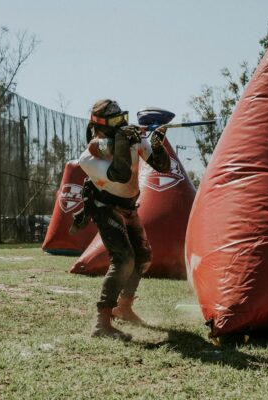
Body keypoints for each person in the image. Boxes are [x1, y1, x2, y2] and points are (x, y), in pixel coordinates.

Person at [76, 99, 170, 339]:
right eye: (116, 122)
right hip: (104, 206)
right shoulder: (88, 158)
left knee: (143, 257)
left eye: (123, 120)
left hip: (128, 206)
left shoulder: (131, 140)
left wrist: (158, 146)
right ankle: (102, 323)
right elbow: (120, 174)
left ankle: (124, 308)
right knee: (124, 259)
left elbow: (162, 167)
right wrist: (123, 141)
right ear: (101, 127)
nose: (122, 126)